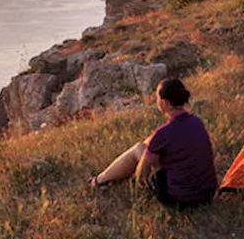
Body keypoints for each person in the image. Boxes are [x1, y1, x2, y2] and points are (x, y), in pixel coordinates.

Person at [87, 78, 217, 207]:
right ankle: (104, 178)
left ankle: (99, 180)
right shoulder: (197, 122)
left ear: (164, 102)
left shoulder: (163, 133)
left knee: (139, 148)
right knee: (149, 142)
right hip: (207, 195)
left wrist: (145, 168)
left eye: (157, 98)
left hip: (180, 200)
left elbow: (140, 176)